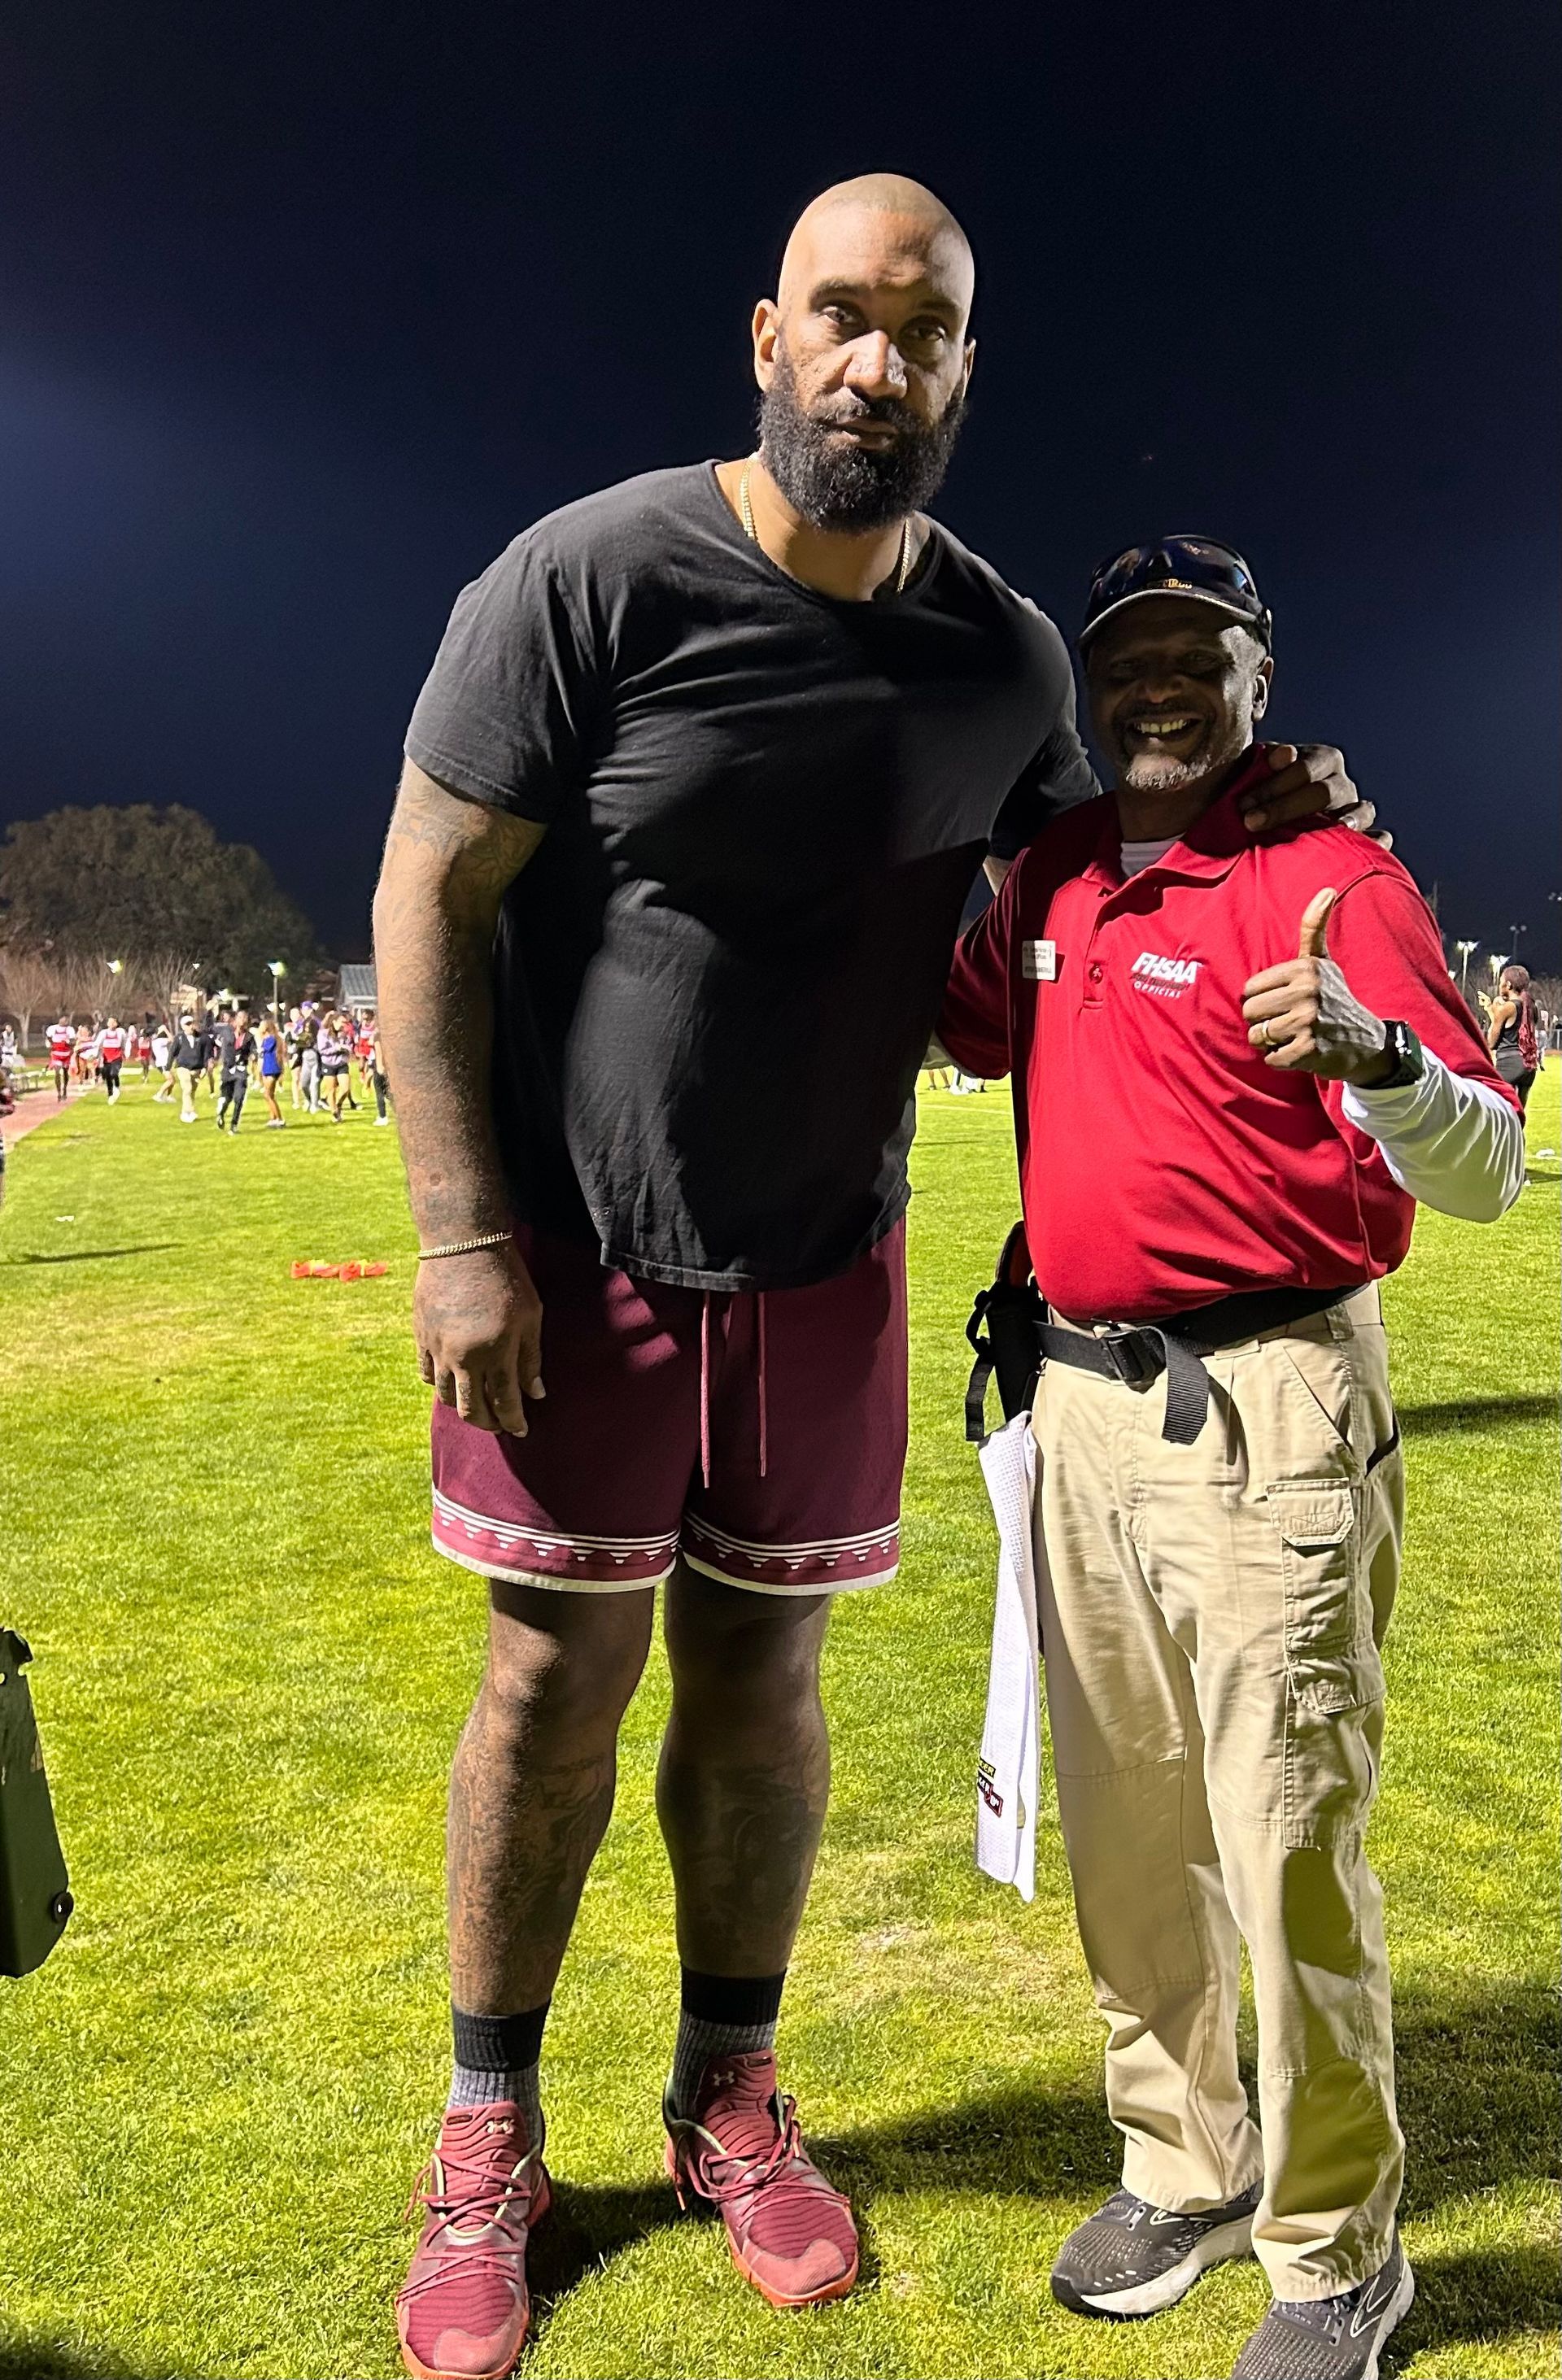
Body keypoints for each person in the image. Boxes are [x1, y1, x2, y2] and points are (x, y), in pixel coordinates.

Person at [374, 175, 1368, 2380]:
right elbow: (430, 883)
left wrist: (1285, 816)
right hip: (571, 1244)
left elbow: (1090, 897)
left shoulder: (1003, 657)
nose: (877, 365)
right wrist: (458, 1228)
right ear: (764, 334)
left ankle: (730, 2094)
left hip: (827, 1254)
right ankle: (487, 2132)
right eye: (841, 317)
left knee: (766, 1692)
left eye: (923, 331)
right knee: (549, 1686)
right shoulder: (592, 575)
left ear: (965, 370)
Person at [939, 537, 1523, 2380]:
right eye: (1130, 659)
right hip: (1082, 1409)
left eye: (1200, 653)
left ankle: (1341, 2255)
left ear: (1264, 673)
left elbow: (1490, 1164)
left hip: (1271, 1407)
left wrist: (1375, 1058)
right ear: (1091, 691)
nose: (1161, 687)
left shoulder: (1334, 873)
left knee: (1285, 1850)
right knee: (1130, 1839)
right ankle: (1181, 2156)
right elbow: (944, 1006)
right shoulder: (1051, 868)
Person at [1486, 961, 1541, 1114]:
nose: (1500, 986)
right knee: (1519, 1115)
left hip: (1509, 1064)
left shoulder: (1507, 1008)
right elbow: (1515, 1029)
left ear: (1508, 985)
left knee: (1497, 1110)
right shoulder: (1532, 1007)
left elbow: (1492, 1042)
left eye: (1501, 982)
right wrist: (1492, 1011)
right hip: (1528, 1065)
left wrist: (1496, 1010)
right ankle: (1518, 1138)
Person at [216, 1011, 256, 1134]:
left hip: (241, 1070)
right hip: (228, 1070)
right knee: (227, 1098)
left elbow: (253, 1050)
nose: (243, 1020)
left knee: (239, 1098)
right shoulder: (227, 1032)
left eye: (245, 1018)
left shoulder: (249, 1037)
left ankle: (234, 1125)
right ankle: (220, 1114)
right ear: (236, 1019)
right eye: (240, 1017)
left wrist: (254, 1055)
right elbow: (209, 1029)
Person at [169, 1013, 209, 1123]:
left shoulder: (202, 1038)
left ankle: (185, 1113)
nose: (190, 1026)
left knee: (192, 1091)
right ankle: (190, 1111)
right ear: (183, 1026)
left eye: (191, 1023)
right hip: (183, 1067)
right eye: (188, 1024)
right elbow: (172, 1053)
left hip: (197, 1068)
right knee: (187, 1088)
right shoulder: (179, 1038)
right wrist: (168, 1069)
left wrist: (205, 1067)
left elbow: (206, 1054)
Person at [316, 1009, 353, 1121]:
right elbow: (322, 1050)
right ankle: (335, 1113)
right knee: (331, 1090)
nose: (344, 1025)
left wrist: (347, 1049)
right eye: (342, 1022)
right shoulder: (324, 1034)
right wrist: (336, 1049)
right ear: (334, 1022)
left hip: (342, 1063)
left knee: (345, 1089)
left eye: (345, 1023)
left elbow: (349, 1046)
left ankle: (338, 1104)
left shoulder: (344, 1034)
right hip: (328, 1064)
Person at [258, 1015, 286, 1127]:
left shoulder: (271, 1039)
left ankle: (279, 1118)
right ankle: (273, 1117)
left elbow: (263, 1049)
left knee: (268, 1095)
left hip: (272, 1068)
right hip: (268, 1068)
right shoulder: (271, 1038)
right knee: (269, 1094)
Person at [98, 1017, 128, 1104]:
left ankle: (117, 1087)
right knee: (108, 1076)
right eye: (110, 1022)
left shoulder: (121, 1032)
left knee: (114, 1073)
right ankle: (110, 1095)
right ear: (107, 1024)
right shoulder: (103, 1033)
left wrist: (124, 1051)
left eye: (114, 1022)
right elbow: (97, 1043)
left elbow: (124, 1042)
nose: (112, 1024)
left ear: (117, 1024)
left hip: (117, 1056)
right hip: (106, 1057)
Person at [46, 1016, 74, 1101]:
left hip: (66, 1053)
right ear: (60, 1020)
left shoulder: (70, 1029)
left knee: (65, 1072)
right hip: (56, 1053)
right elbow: (48, 1038)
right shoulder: (52, 1028)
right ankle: (59, 1092)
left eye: (67, 1020)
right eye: (64, 1020)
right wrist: (51, 1044)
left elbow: (73, 1040)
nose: (65, 1022)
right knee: (57, 1072)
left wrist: (69, 1044)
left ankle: (65, 1089)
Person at [151, 1020, 175, 1100]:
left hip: (163, 1063)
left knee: (172, 1080)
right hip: (163, 1063)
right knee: (170, 1080)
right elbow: (172, 1039)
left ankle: (169, 1096)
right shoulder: (160, 1040)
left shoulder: (156, 1041)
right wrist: (165, 1030)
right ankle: (158, 1095)